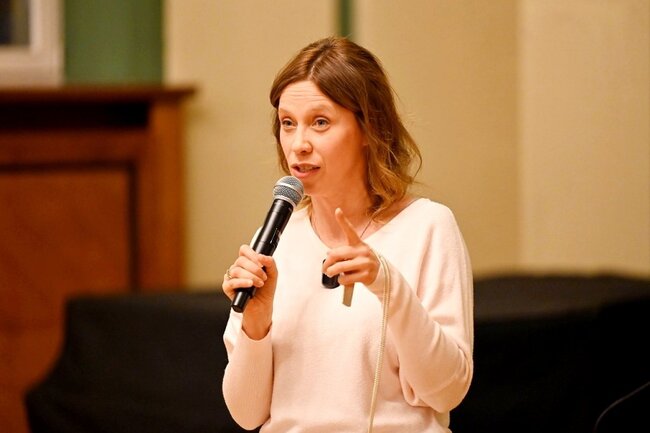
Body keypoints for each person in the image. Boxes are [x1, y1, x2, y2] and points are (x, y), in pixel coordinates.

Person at [221, 36, 473, 433]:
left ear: (369, 127)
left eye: (320, 122)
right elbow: (246, 414)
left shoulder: (428, 227)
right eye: (288, 123)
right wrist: (256, 323)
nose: (299, 145)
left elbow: (447, 392)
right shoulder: (275, 240)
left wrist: (388, 287)